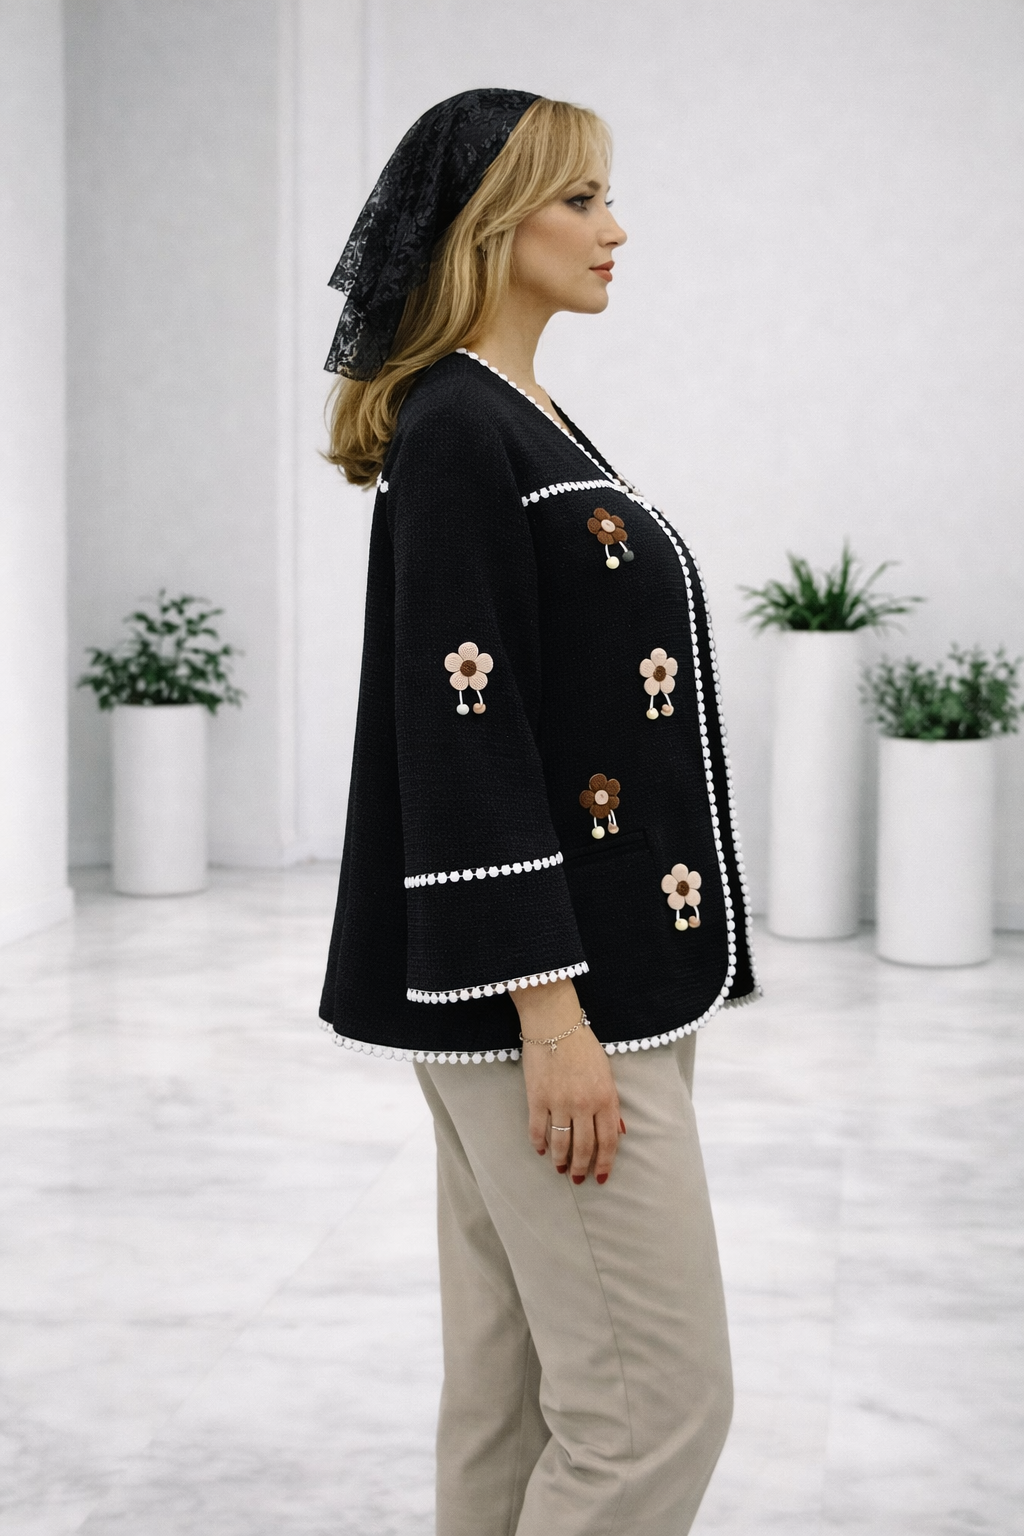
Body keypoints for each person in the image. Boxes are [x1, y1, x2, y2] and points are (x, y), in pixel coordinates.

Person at [319, 88, 759, 1536]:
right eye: (581, 199)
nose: (614, 228)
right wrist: (551, 1015)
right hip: (559, 1001)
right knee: (655, 1411)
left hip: (592, 976)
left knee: (512, 1401)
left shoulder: (514, 415)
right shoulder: (461, 427)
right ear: (490, 224)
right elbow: (467, 734)